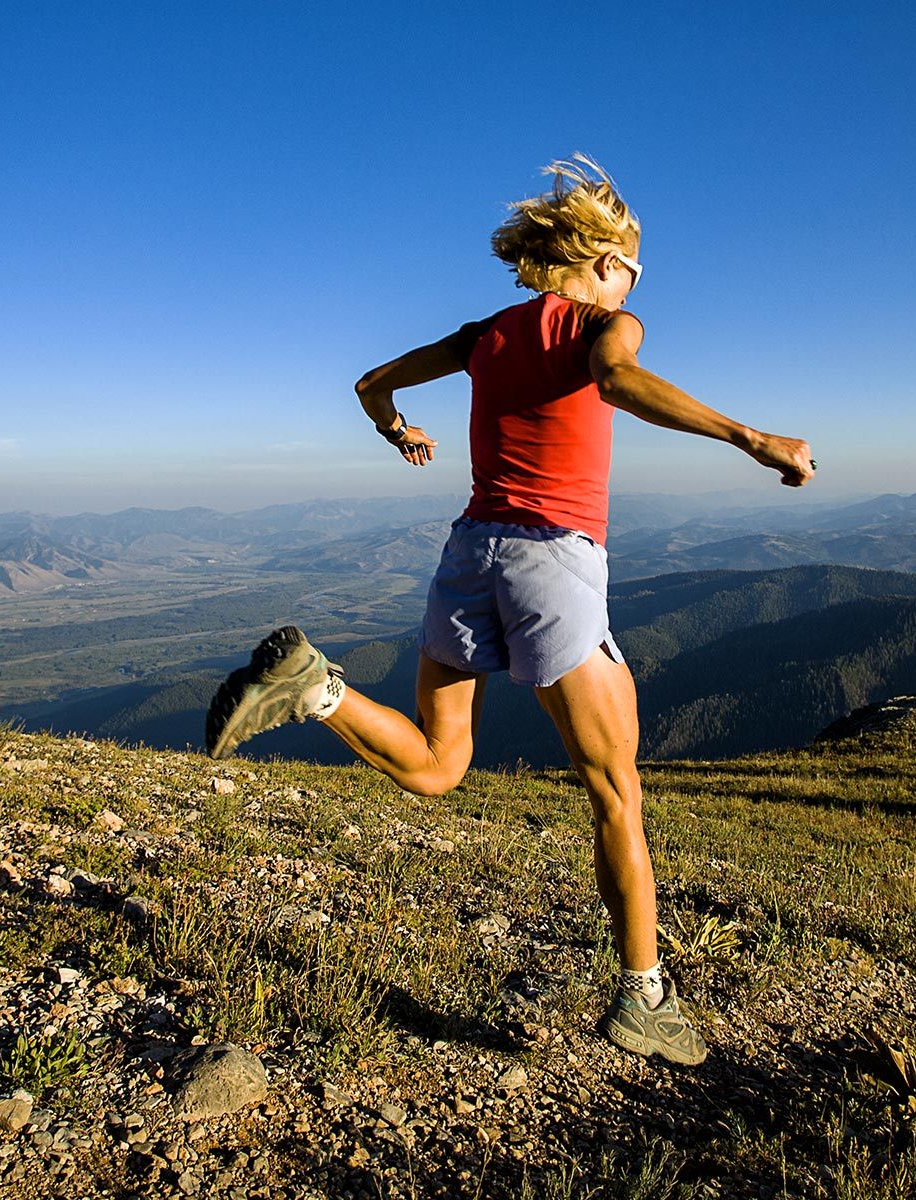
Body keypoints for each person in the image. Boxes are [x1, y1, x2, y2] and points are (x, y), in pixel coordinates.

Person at [204, 156, 815, 1065]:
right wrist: (754, 438)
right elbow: (616, 380)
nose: (638, 285)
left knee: (442, 766)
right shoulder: (608, 322)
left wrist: (399, 432)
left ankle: (316, 691)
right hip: (550, 563)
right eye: (636, 269)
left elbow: (372, 379)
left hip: (468, 554)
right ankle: (644, 999)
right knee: (616, 792)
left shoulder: (485, 332)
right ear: (606, 261)